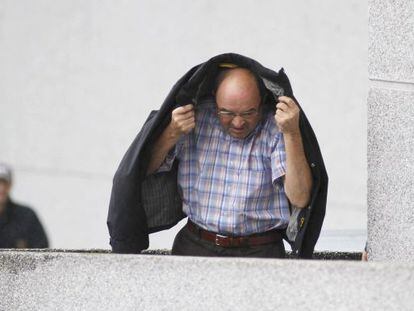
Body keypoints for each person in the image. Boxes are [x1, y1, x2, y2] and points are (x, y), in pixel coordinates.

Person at [107, 53, 328, 258]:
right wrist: (171, 133)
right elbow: (144, 170)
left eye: (249, 112)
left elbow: (300, 197)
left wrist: (292, 133)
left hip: (261, 250)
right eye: (227, 113)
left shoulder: (276, 126)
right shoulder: (195, 117)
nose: (238, 122)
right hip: (195, 246)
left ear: (262, 101)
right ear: (215, 101)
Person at [0, 163, 49, 248]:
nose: (1, 188)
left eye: (4, 183)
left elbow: (42, 251)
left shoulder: (26, 216)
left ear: (10, 185)